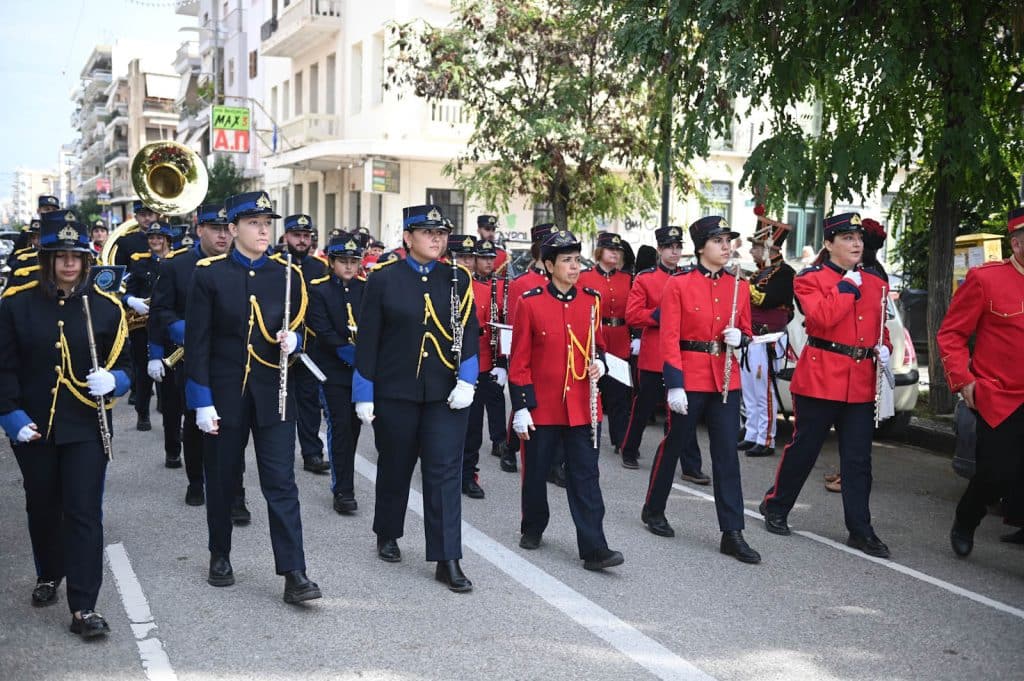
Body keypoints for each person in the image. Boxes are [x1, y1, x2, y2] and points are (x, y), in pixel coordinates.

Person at [185, 191, 322, 603]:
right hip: (224, 394)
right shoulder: (209, 275)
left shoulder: (286, 275)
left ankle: (294, 572)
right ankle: (220, 554)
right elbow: (198, 343)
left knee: (281, 483)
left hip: (273, 392)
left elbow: (302, 326)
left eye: (267, 224)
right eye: (253, 224)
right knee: (222, 478)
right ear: (233, 229)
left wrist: (295, 341)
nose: (263, 231)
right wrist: (201, 400)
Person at [0, 210, 130, 638]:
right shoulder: (16, 305)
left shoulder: (106, 308)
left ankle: (84, 607)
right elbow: (4, 367)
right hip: (33, 425)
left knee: (83, 510)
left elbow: (126, 364)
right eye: (61, 255)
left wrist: (116, 380)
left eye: (76, 255)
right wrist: (10, 415)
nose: (70, 263)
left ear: (87, 259)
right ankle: (49, 572)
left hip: (86, 425)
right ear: (47, 258)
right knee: (42, 505)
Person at [354, 204, 479, 592]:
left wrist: (468, 380)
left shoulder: (456, 278)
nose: (436, 239)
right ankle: (388, 531)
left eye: (441, 233)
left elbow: (468, 333)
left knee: (444, 473)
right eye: (428, 232)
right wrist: (363, 391)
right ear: (408, 238)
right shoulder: (384, 279)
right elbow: (368, 340)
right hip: (396, 390)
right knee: (396, 465)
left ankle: (447, 558)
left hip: (444, 393)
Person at [759, 212, 893, 558]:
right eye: (848, 238)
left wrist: (885, 347)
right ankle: (776, 505)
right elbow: (821, 319)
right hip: (822, 376)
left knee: (858, 460)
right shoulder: (810, 278)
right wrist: (847, 286)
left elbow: (881, 328)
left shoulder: (876, 283)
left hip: (860, 380)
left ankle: (860, 529)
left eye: (859, 238)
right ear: (829, 244)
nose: (856, 244)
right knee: (805, 449)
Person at [640, 217, 760, 564]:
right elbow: (669, 337)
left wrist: (743, 338)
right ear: (701, 247)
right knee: (676, 443)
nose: (726, 247)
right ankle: (654, 508)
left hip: (724, 378)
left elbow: (747, 329)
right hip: (690, 376)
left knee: (726, 455)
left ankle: (732, 532)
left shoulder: (738, 286)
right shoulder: (679, 284)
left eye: (728, 240)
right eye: (718, 240)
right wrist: (675, 384)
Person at [510, 229, 624, 571]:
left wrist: (601, 364)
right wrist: (521, 406)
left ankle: (594, 548)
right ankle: (533, 526)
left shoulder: (591, 300)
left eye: (577, 260)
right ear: (549, 265)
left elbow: (598, 345)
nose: (575, 267)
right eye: (566, 261)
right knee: (535, 473)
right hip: (543, 406)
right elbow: (520, 360)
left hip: (582, 406)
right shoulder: (530, 302)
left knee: (586, 476)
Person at [939, 206, 1024, 557]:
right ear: (1016, 244)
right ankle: (966, 518)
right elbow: (951, 334)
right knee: (995, 473)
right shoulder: (986, 279)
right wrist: (963, 380)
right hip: (1000, 395)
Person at [148, 203, 233, 507]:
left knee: (232, 425)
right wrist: (181, 331)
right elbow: (160, 309)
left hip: (231, 359)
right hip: (190, 357)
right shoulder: (176, 265)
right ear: (200, 230)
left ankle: (235, 493)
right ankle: (196, 481)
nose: (223, 235)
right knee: (196, 421)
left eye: (227, 229)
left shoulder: (240, 263)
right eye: (215, 229)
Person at [620, 226, 706, 480]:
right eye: (669, 247)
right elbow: (632, 315)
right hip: (654, 354)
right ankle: (629, 449)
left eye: (678, 247)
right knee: (644, 407)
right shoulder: (645, 278)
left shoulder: (690, 277)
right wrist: (658, 315)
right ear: (659, 249)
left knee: (683, 412)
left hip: (682, 355)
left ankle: (690, 466)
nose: (674, 252)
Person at [307, 232, 365, 515]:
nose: (349, 266)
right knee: (340, 428)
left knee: (354, 429)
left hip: (363, 372)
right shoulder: (319, 289)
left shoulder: (366, 288)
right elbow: (323, 330)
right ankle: (343, 490)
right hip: (333, 371)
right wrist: (352, 354)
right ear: (331, 262)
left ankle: (345, 478)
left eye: (354, 261)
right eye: (343, 261)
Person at [504, 223, 561, 479]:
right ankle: (511, 447)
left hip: (555, 353)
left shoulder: (561, 281)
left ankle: (554, 463)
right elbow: (513, 326)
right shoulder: (522, 283)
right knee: (525, 401)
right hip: (530, 353)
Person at [738, 220, 795, 458]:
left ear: (770, 248)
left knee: (764, 391)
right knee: (750, 390)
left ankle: (766, 438)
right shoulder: (760, 272)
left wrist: (741, 283)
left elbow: (765, 299)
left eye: (756, 246)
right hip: (752, 337)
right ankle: (752, 433)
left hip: (768, 338)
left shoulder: (785, 273)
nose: (751, 251)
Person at [281, 214, 331, 474]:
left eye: (306, 236)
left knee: (309, 401)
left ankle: (312, 454)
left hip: (311, 346)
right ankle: (280, 455)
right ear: (286, 236)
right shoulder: (274, 265)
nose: (302, 240)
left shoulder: (320, 267)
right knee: (279, 402)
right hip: (278, 345)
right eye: (296, 235)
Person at [578, 232, 632, 454]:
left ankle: (621, 440)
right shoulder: (584, 277)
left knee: (620, 395)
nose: (615, 253)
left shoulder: (628, 279)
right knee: (591, 390)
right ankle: (586, 434)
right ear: (600, 251)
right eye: (610, 249)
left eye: (618, 250)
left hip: (620, 338)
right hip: (593, 339)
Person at [124, 221, 173, 432]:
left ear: (167, 239)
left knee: (169, 370)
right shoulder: (139, 262)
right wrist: (132, 301)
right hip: (143, 325)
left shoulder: (177, 262)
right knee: (143, 371)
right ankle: (142, 413)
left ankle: (167, 409)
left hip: (169, 324)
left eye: (159, 237)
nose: (155, 240)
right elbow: (127, 292)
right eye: (151, 237)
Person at [469, 238, 510, 477]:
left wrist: (503, 360)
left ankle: (499, 440)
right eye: (483, 258)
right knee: (474, 405)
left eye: (491, 258)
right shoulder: (467, 284)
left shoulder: (502, 285)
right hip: (474, 350)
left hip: (494, 350)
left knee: (495, 397)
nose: (488, 262)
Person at [110, 200, 159, 267]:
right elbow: (121, 268)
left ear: (156, 216)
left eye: (150, 215)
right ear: (136, 218)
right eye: (143, 215)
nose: (147, 218)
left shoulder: (167, 238)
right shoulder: (125, 241)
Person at [7, 218, 42, 288]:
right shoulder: (23, 256)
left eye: (40, 237)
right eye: (33, 238)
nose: (36, 242)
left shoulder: (54, 255)